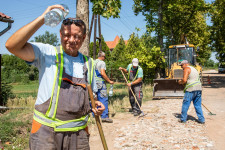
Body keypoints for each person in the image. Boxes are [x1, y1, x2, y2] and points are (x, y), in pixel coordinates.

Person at [5, 5, 105, 150]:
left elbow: (92, 97)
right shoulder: (47, 53)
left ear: (84, 38)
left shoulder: (89, 63)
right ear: (60, 34)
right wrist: (43, 18)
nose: (71, 40)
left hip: (79, 136)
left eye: (76, 36)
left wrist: (96, 105)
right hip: (46, 135)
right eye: (66, 35)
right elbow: (12, 45)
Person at [94, 51, 114, 123]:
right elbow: (102, 73)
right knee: (103, 98)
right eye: (104, 57)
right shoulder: (102, 63)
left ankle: (95, 115)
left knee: (95, 99)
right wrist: (109, 81)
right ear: (102, 56)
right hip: (100, 83)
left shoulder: (93, 62)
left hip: (93, 83)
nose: (104, 58)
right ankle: (104, 116)